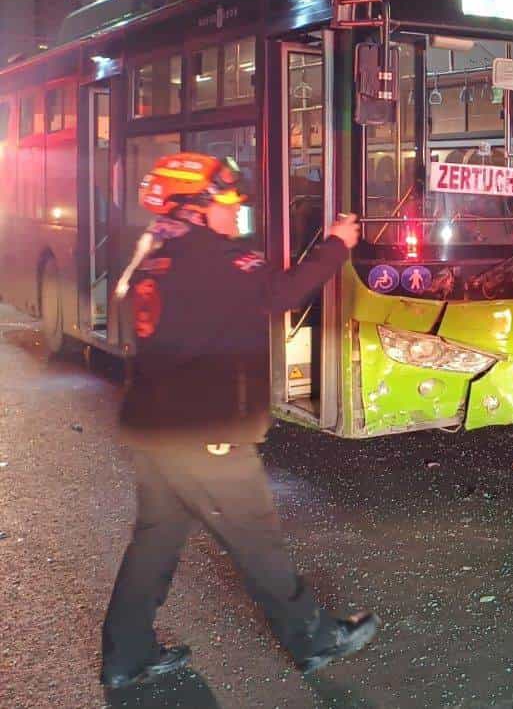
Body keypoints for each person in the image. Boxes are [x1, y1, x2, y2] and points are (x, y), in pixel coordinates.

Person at [101, 153, 378, 689]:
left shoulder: (154, 250)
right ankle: (314, 638)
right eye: (226, 205)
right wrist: (338, 244)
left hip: (157, 428)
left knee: (155, 541)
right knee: (255, 536)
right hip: (204, 432)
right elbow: (282, 293)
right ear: (196, 209)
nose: (236, 214)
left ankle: (125, 655)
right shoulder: (214, 259)